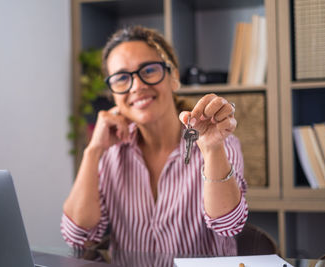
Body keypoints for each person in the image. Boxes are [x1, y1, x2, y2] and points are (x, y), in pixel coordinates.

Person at [61, 25, 248, 256]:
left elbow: (228, 224)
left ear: (174, 77)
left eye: (148, 70)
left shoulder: (219, 142)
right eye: (121, 78)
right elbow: (79, 236)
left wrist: (212, 150)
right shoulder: (110, 152)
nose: (137, 86)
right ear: (112, 93)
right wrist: (93, 151)